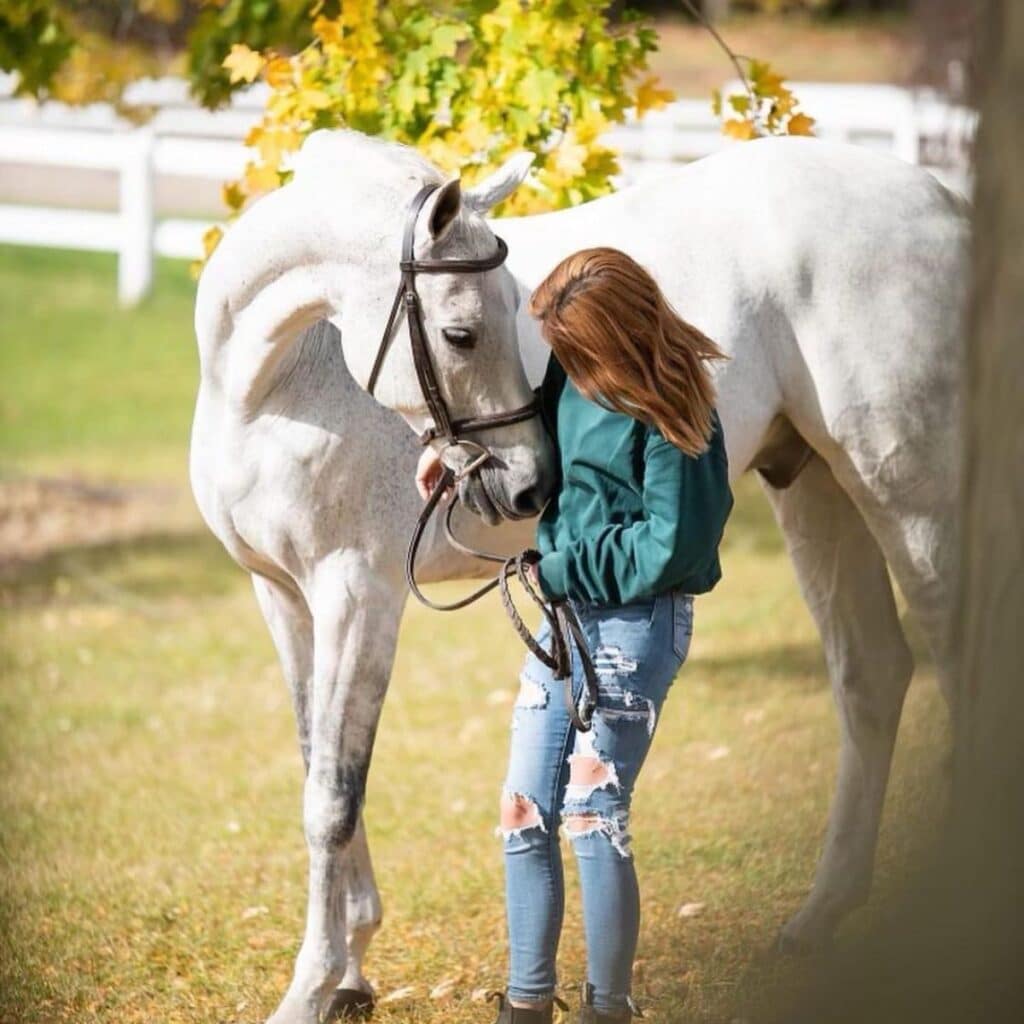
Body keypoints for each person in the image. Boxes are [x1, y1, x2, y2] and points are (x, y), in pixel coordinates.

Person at [416, 247, 734, 1023]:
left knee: (594, 811)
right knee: (523, 810)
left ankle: (606, 1007)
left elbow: (676, 546)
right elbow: (540, 453)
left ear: (614, 335)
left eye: (571, 340)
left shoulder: (677, 406)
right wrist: (458, 458)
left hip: (637, 621)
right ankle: (526, 1005)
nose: (559, 353)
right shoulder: (572, 369)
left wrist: (564, 566)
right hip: (566, 614)